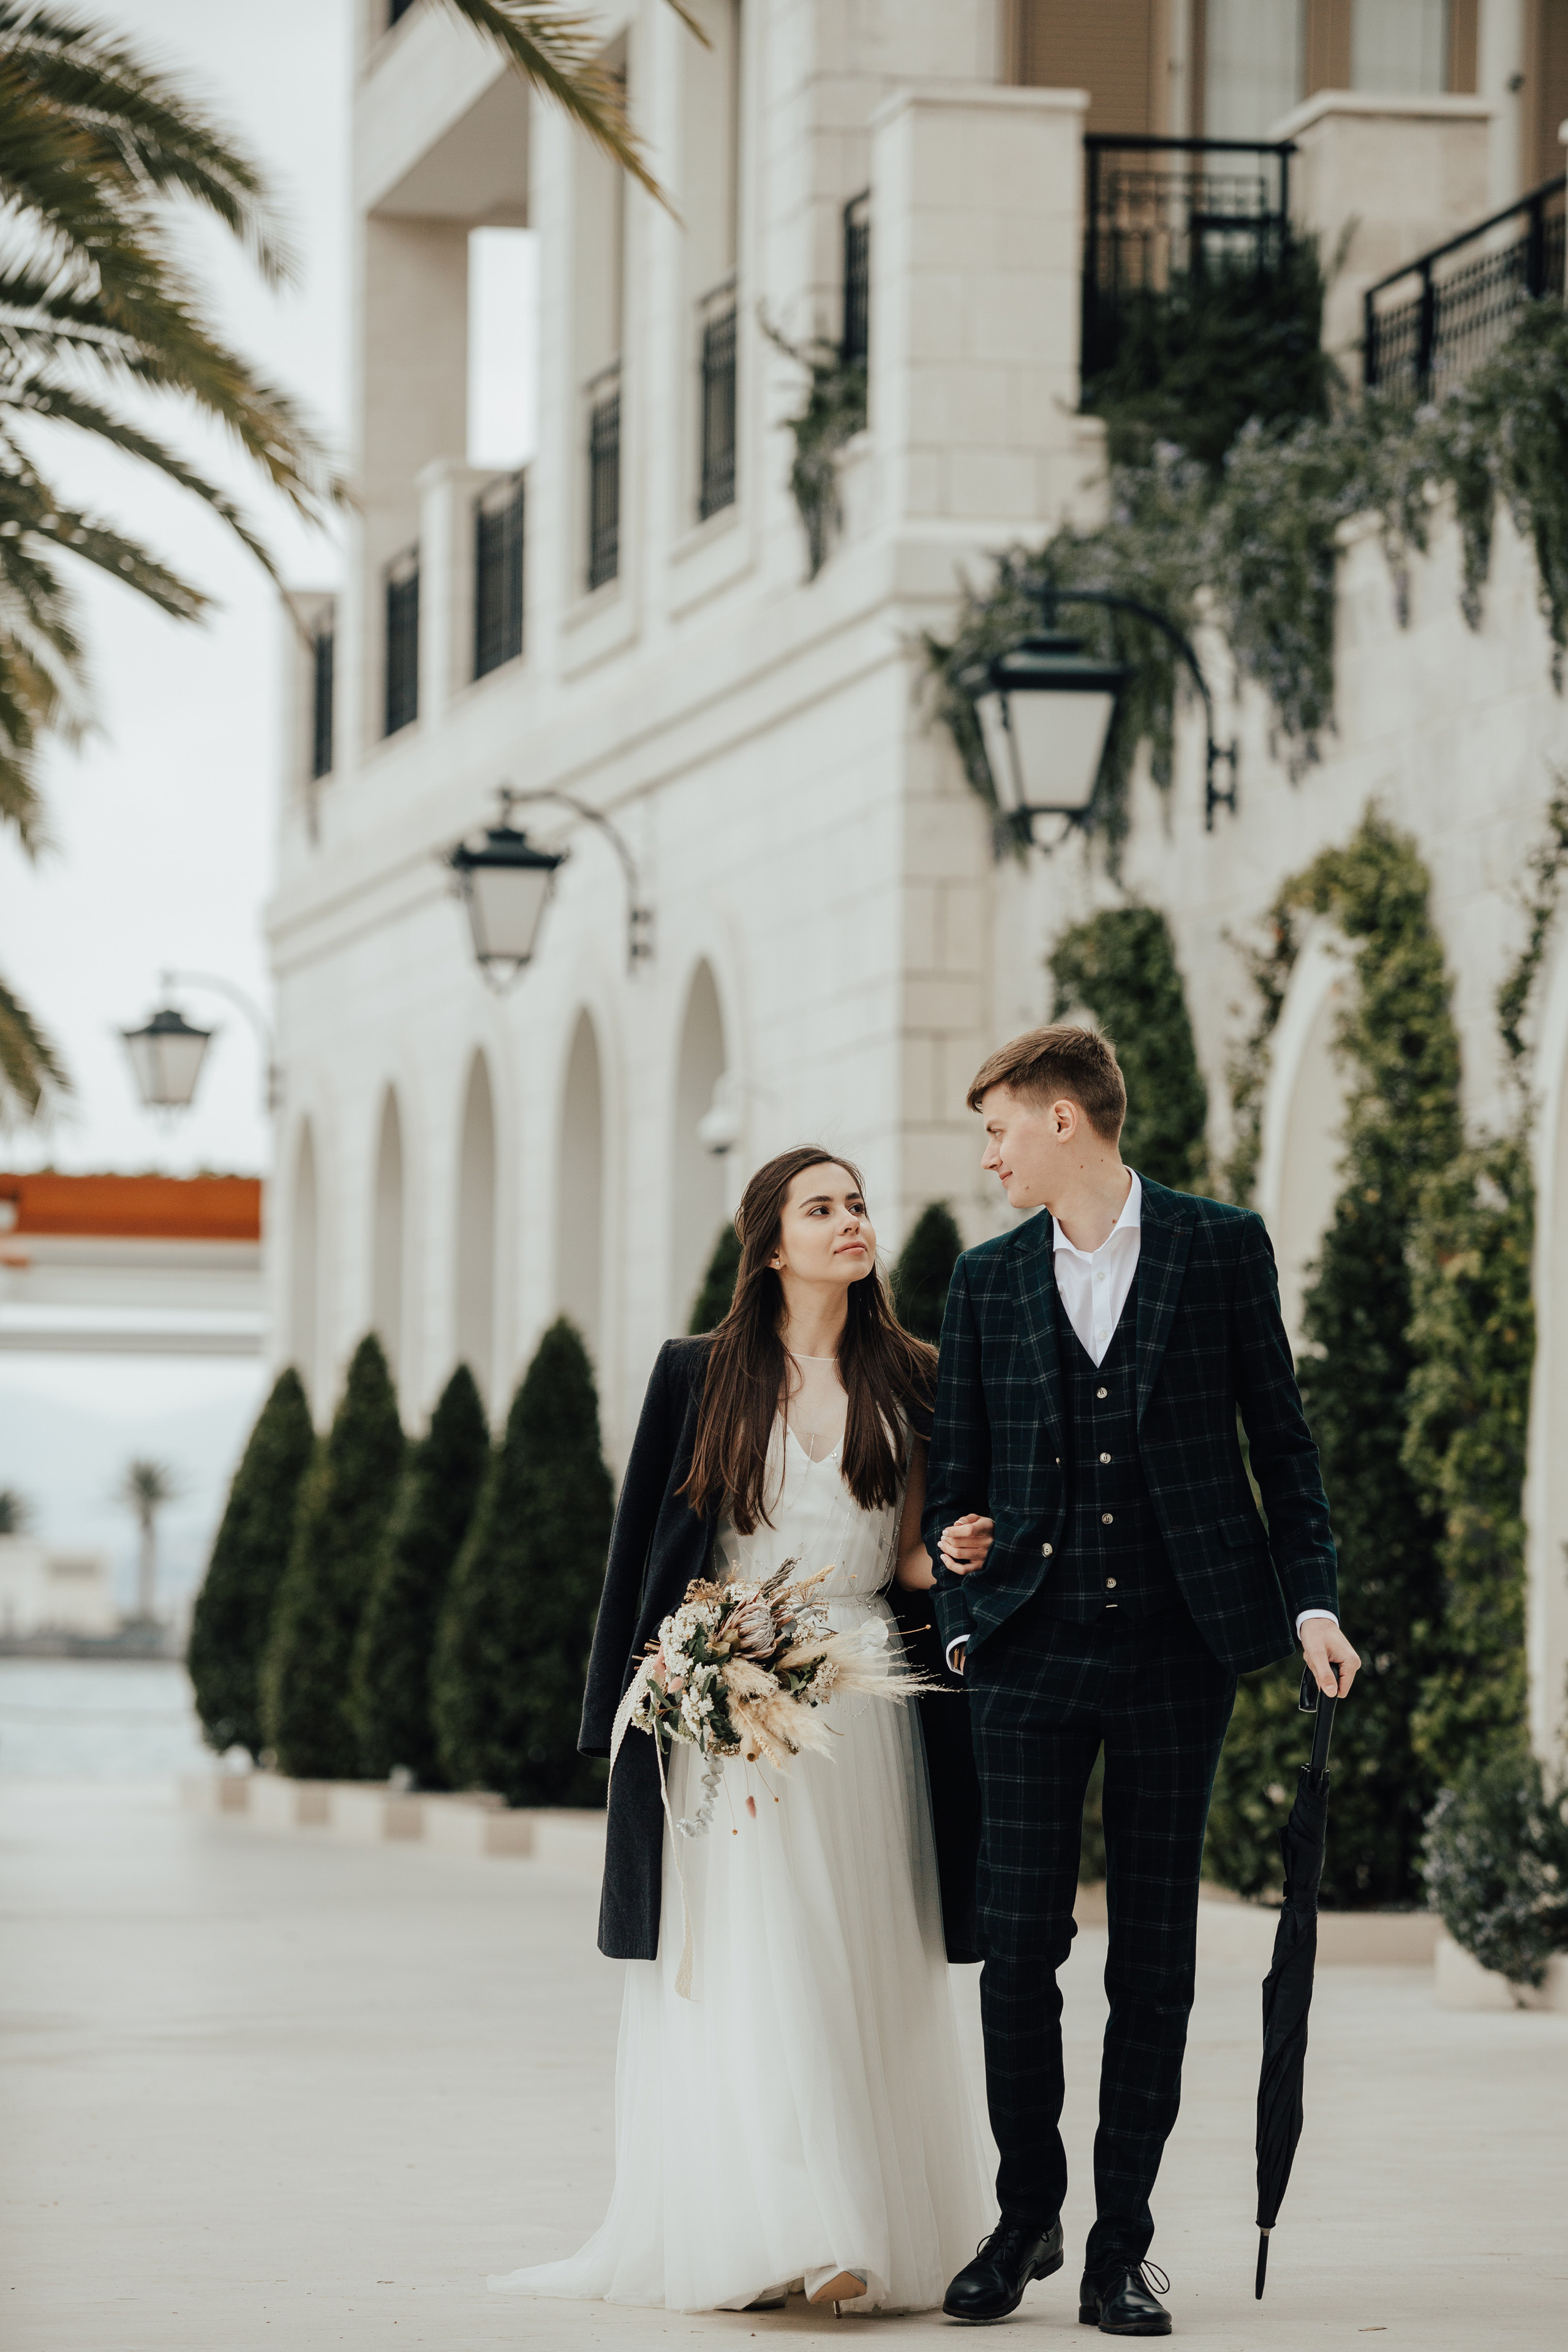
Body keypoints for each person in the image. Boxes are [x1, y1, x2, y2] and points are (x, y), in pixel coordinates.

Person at [491, 1145, 994, 2316]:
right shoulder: (698, 1374)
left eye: (857, 1204)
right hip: (731, 1713)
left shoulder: (917, 1375)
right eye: (821, 1208)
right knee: (761, 1968)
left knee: (853, 1962)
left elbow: (913, 1557)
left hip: (869, 1710)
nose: (851, 1222)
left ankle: (847, 2226)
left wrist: (959, 1555)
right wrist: (642, 1699)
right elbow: (645, 1554)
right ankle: (779, 2225)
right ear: (770, 1243)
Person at [924, 1026, 1360, 2338]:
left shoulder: (1218, 1246)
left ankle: (1120, 2245)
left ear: (1066, 1120)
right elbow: (953, 1482)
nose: (987, 1152)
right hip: (1026, 1648)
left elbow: (1279, 1445)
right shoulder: (984, 1281)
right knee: (1018, 1951)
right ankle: (1024, 2217)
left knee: (1153, 1962)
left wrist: (1311, 1601)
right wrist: (959, 1596)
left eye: (999, 1126)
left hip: (1179, 1645)